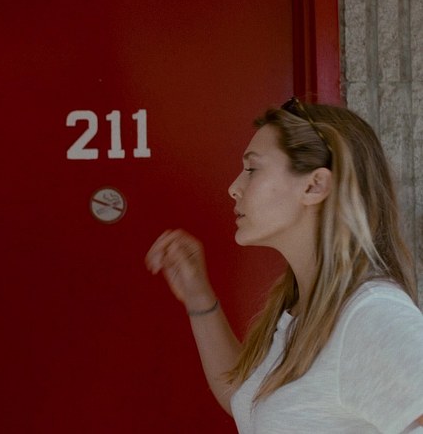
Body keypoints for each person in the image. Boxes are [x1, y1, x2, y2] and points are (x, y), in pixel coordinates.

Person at [145, 98, 423, 433]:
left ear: (314, 186)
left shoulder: (370, 315)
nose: (234, 188)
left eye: (252, 169)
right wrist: (199, 297)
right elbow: (250, 405)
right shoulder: (301, 308)